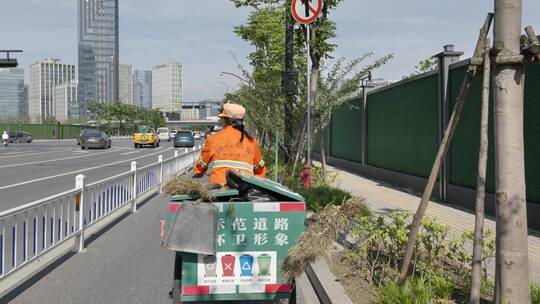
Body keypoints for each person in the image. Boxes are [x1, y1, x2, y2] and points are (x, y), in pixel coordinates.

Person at [194, 103, 267, 185]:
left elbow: (201, 165)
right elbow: (260, 170)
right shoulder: (251, 140)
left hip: (219, 189)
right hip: (244, 189)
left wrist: (198, 172)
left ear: (225, 119)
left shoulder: (213, 139)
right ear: (242, 120)